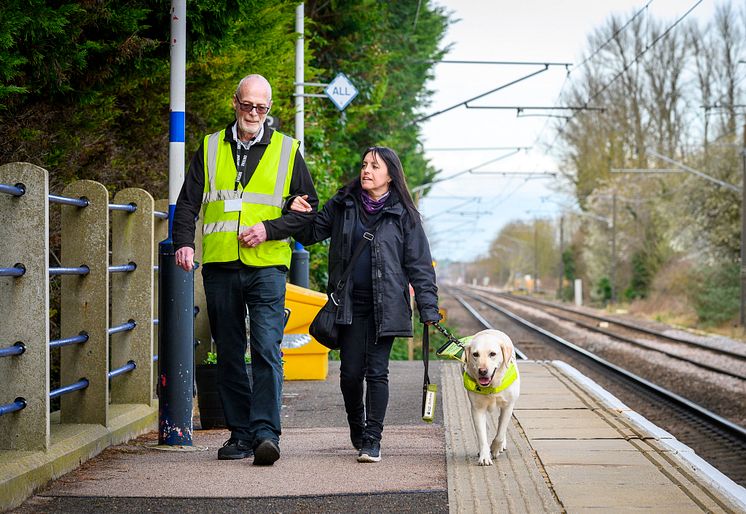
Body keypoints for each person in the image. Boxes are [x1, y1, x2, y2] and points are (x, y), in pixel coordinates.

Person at [172, 74, 318, 465]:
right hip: (220, 264)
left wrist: (269, 229)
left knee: (267, 347)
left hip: (267, 265)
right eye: (248, 105)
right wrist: (184, 241)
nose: (254, 113)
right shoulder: (209, 147)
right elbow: (188, 203)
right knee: (230, 352)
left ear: (269, 110)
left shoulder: (287, 151)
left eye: (262, 108)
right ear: (235, 103)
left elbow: (307, 211)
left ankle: (267, 434)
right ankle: (240, 434)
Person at [289, 146, 440, 463]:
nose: (367, 170)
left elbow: (420, 265)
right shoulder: (343, 204)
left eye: (375, 165)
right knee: (350, 374)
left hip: (386, 307)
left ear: (390, 175)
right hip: (349, 306)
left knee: (377, 372)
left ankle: (372, 439)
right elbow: (313, 232)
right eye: (364, 164)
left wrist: (428, 308)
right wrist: (294, 211)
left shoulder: (404, 215)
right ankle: (357, 427)